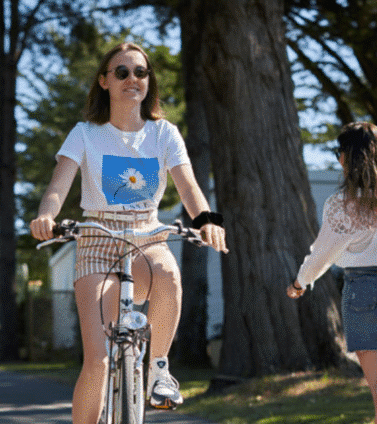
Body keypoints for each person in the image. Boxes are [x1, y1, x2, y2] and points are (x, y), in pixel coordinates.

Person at [29, 42, 228, 424]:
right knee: (99, 360)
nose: (132, 79)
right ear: (104, 81)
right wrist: (46, 216)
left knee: (169, 273)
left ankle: (158, 370)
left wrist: (206, 221)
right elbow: (59, 185)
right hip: (97, 239)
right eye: (122, 72)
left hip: (147, 234)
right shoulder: (85, 134)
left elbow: (188, 188)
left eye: (140, 72)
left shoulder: (163, 133)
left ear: (148, 82)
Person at [287, 122, 377, 424]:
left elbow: (322, 254)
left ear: (347, 158)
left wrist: (299, 282)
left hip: (364, 294)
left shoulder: (341, 205)